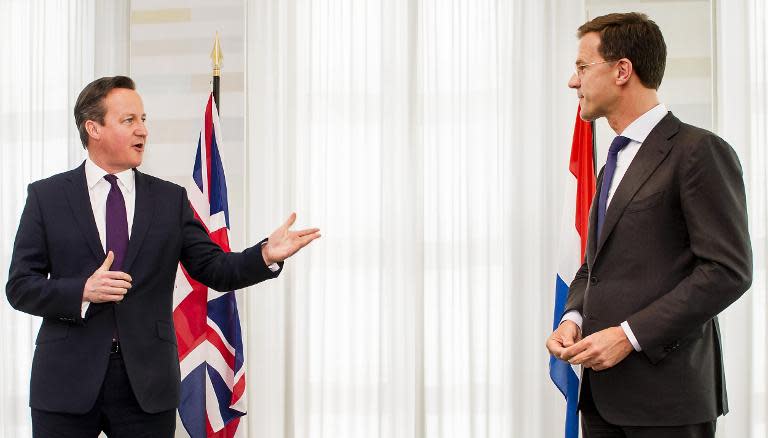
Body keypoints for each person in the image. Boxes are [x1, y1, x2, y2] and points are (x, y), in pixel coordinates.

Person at [6, 76, 320, 437]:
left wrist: (264, 254)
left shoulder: (169, 200)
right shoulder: (47, 197)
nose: (142, 130)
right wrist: (82, 291)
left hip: (147, 385)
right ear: (93, 128)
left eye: (144, 119)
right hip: (64, 381)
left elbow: (215, 268)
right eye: (129, 121)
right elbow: (20, 286)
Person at [545, 12, 752, 438]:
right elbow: (593, 265)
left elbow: (727, 271)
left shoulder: (699, 152)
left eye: (582, 67)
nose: (573, 81)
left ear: (623, 70)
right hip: (601, 399)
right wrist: (575, 317)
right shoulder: (610, 166)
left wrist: (629, 335)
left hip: (669, 402)